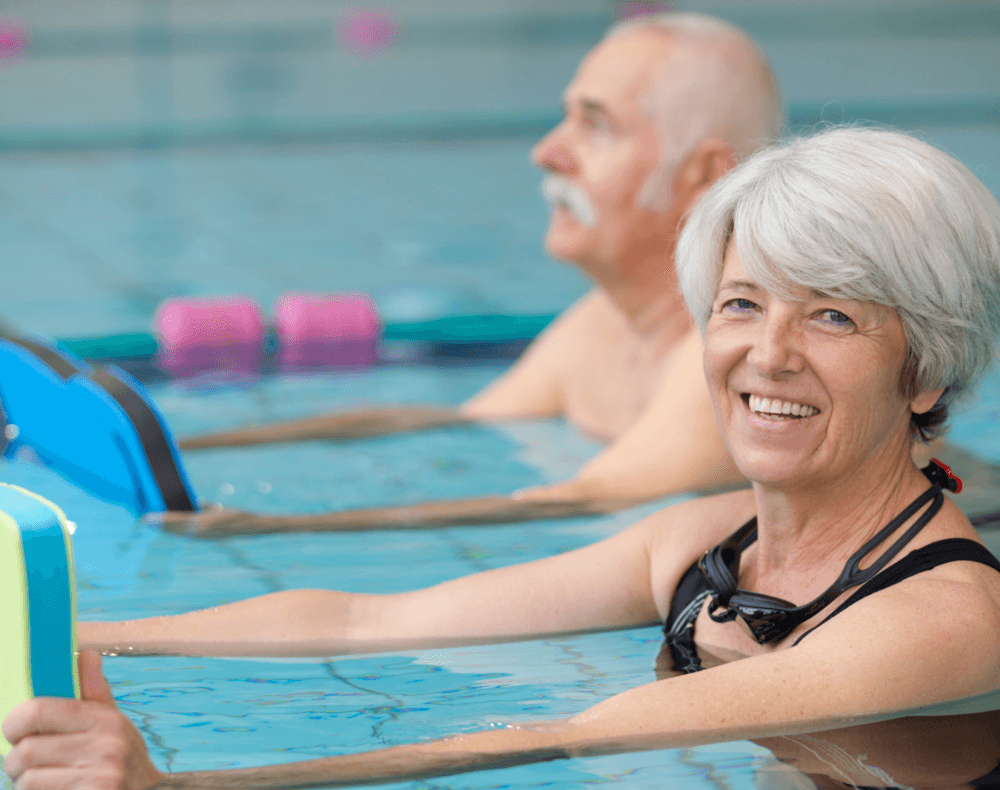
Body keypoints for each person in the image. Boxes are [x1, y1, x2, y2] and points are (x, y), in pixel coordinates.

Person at [9, 128, 1000, 790]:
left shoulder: (947, 617)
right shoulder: (704, 539)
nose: (767, 354)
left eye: (832, 317)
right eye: (741, 303)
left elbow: (562, 735)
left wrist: (177, 788)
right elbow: (367, 619)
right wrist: (64, 635)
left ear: (924, 371)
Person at [159, 12, 782, 537]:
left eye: (595, 126)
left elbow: (586, 499)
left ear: (703, 176)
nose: (547, 152)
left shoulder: (722, 363)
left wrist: (271, 527)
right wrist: (181, 449)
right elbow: (457, 423)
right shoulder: (604, 321)